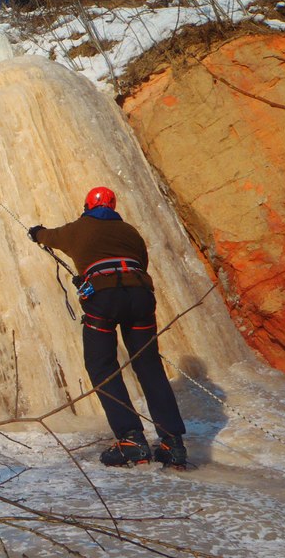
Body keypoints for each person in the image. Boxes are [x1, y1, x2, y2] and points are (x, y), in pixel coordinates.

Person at [28, 186, 187, 468]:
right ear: (113, 207)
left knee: (102, 365)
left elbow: (49, 237)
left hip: (104, 299)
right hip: (139, 297)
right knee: (149, 367)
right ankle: (172, 443)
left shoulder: (80, 227)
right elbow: (139, 263)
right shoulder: (130, 231)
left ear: (87, 205)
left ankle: (131, 439)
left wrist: (36, 232)